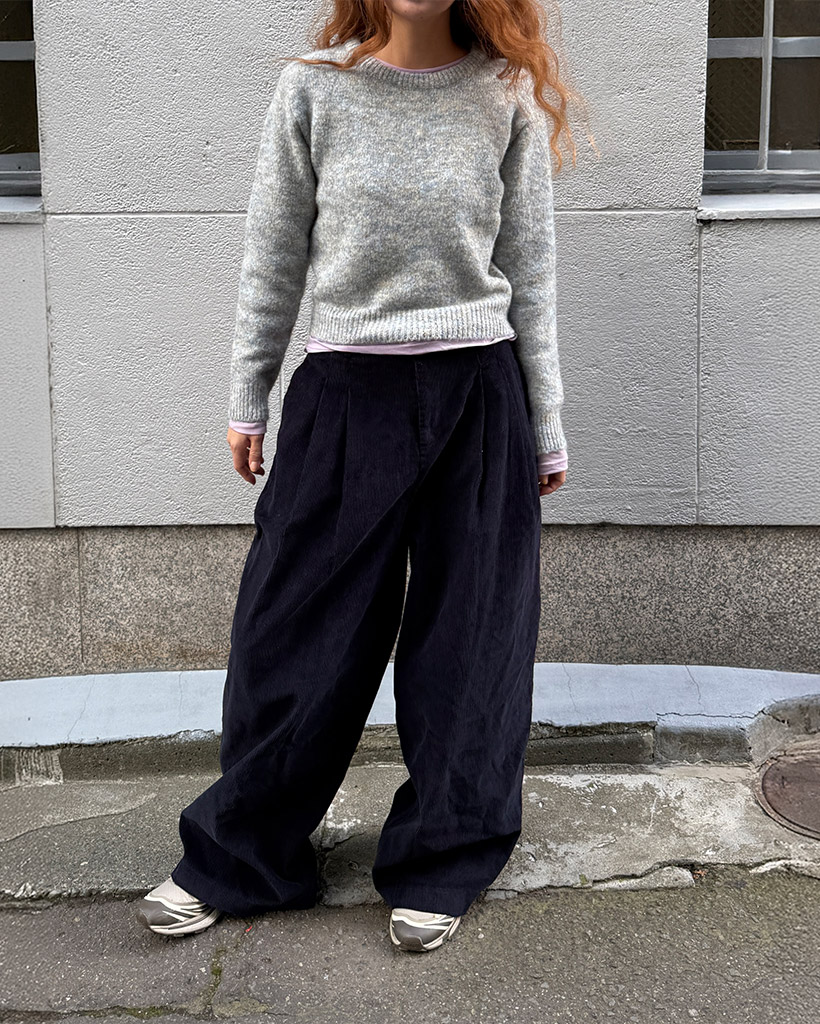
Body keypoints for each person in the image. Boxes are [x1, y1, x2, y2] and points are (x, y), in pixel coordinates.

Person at [136, 0, 579, 952]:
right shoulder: (312, 91)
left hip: (478, 396)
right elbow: (273, 254)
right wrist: (248, 397)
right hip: (345, 392)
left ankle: (445, 859)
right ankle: (242, 856)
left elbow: (531, 273)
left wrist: (546, 425)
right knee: (292, 632)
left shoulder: (503, 96)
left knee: (472, 641)